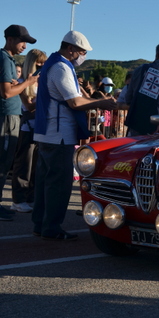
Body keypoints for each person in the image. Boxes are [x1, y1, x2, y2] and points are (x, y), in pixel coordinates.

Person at [32, 30, 117, 240]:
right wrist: (102, 103)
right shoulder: (61, 68)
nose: (83, 56)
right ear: (71, 49)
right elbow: (75, 102)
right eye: (82, 51)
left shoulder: (54, 64)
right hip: (58, 135)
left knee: (45, 182)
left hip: (48, 133)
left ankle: (41, 224)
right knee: (58, 184)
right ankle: (51, 227)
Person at [0, 24, 38, 221]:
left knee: (6, 162)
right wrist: (27, 83)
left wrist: (20, 83)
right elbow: (6, 93)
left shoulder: (8, 59)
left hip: (12, 116)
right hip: (7, 117)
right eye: (23, 41)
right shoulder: (5, 59)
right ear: (11, 39)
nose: (24, 45)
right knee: (3, 161)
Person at [10, 49, 47, 213]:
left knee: (36, 166)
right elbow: (29, 106)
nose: (42, 66)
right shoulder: (22, 82)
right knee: (24, 163)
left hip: (40, 127)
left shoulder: (41, 82)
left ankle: (31, 196)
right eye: (39, 63)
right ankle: (18, 199)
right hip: (26, 127)